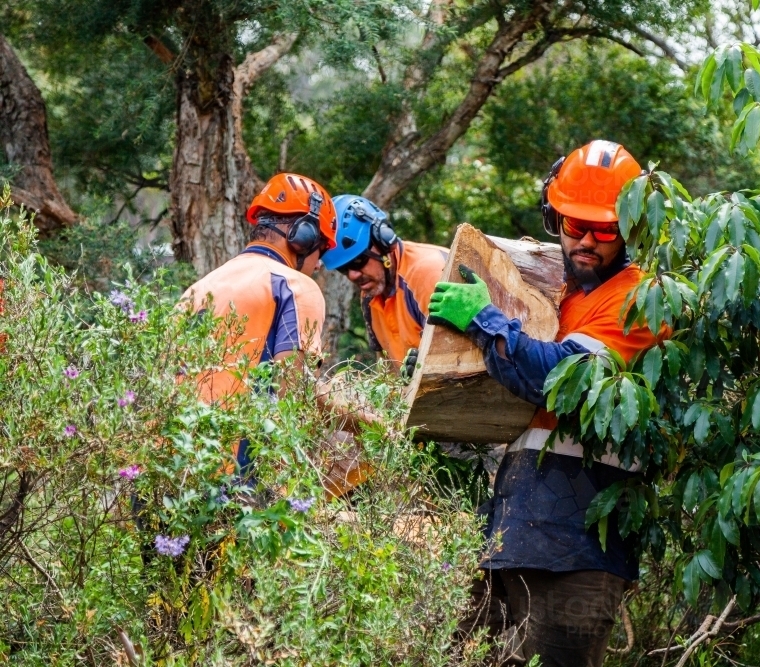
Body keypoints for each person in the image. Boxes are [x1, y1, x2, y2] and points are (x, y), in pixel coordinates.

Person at [428, 141, 663, 667]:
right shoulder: (565, 296)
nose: (585, 240)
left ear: (632, 227)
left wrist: (485, 321)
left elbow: (563, 378)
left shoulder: (640, 301)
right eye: (573, 223)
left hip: (579, 546)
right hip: (515, 535)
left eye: (603, 229)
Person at [180, 172, 369, 479]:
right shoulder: (294, 285)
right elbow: (295, 392)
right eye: (321, 248)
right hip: (229, 478)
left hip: (160, 475)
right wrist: (367, 424)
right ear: (303, 235)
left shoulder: (199, 287)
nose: (319, 263)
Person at [319, 195, 448, 376]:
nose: (353, 275)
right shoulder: (370, 296)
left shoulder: (428, 274)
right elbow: (387, 371)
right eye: (343, 269)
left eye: (358, 261)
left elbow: (456, 359)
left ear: (383, 240)